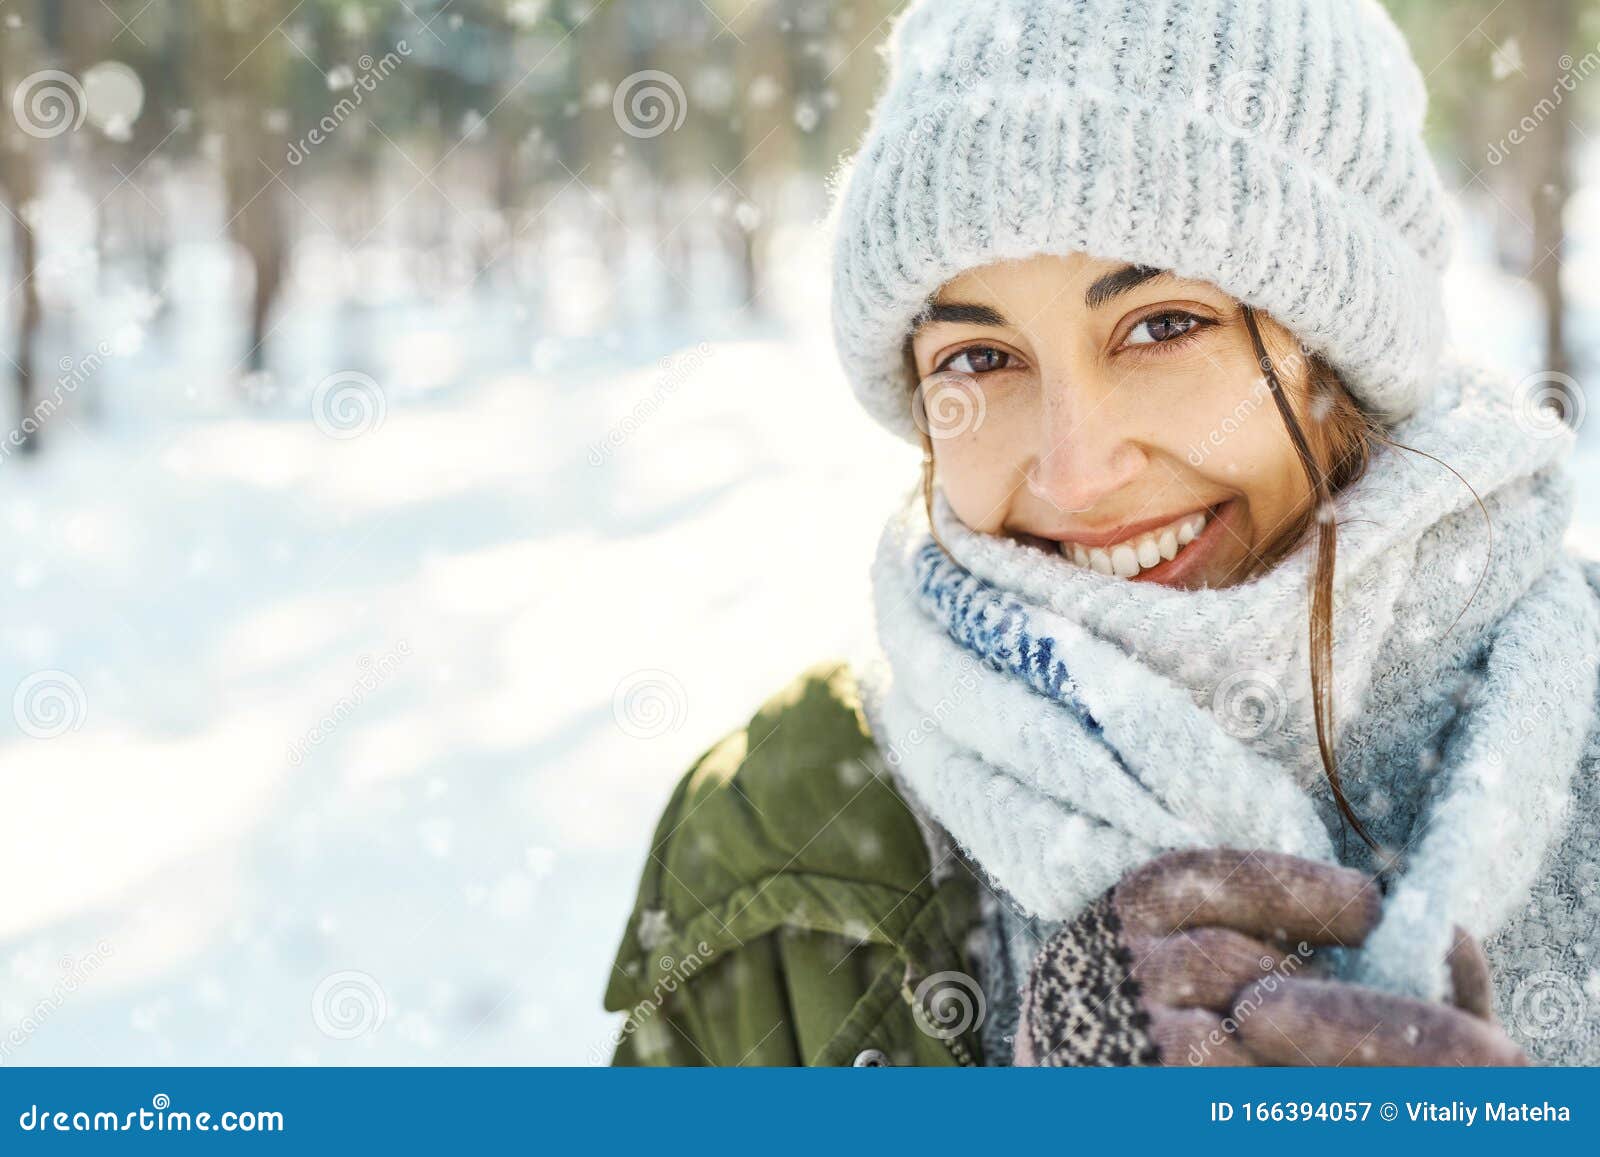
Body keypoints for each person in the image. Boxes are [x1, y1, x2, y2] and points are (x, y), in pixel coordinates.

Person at [604, 0, 1600, 1066]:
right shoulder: (780, 833)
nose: (1075, 473)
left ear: (1342, 353)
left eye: (1161, 326)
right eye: (979, 358)